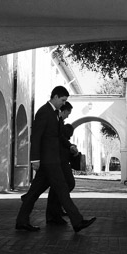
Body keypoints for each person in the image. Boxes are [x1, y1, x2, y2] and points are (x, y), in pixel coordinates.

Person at [15, 86, 96, 233]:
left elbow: (59, 136)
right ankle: (77, 222)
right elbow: (36, 137)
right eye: (63, 100)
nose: (63, 103)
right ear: (56, 97)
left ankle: (21, 221)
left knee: (33, 194)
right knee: (62, 190)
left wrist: (70, 145)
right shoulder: (44, 112)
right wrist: (35, 159)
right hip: (49, 161)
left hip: (51, 161)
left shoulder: (55, 114)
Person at [45, 101, 78, 225]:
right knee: (66, 184)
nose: (68, 116)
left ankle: (55, 213)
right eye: (67, 114)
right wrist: (70, 145)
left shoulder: (58, 121)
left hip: (58, 159)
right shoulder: (55, 120)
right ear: (64, 111)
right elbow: (60, 136)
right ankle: (55, 213)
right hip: (57, 160)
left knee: (58, 187)